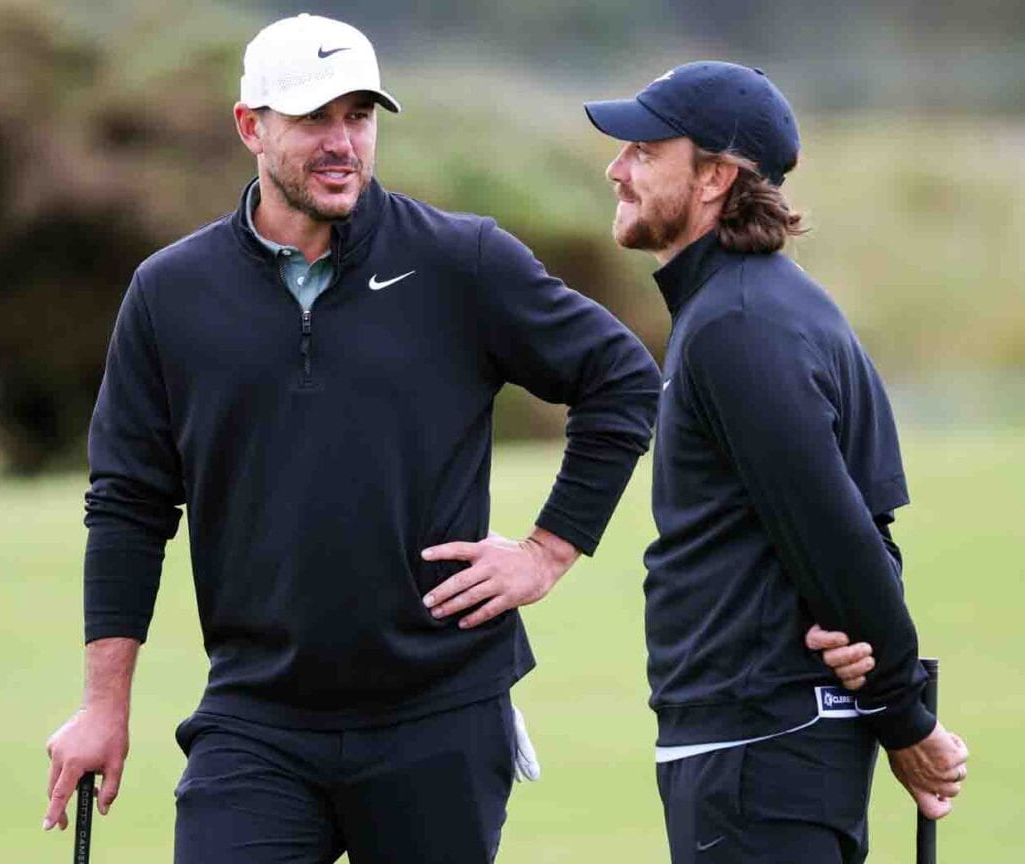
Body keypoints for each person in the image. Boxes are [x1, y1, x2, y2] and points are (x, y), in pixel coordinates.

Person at [40, 13, 660, 864]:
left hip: (439, 714)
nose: (343, 143)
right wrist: (104, 707)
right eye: (314, 118)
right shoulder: (170, 294)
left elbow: (622, 378)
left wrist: (547, 552)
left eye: (359, 116)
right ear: (250, 126)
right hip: (256, 719)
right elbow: (128, 506)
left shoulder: (460, 262)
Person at [584, 62, 970, 862]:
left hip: (757, 749)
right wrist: (889, 695)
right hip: (766, 747)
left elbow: (839, 539)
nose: (617, 168)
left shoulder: (738, 325)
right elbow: (863, 539)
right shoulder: (766, 307)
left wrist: (904, 717)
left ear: (715, 177)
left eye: (645, 151)